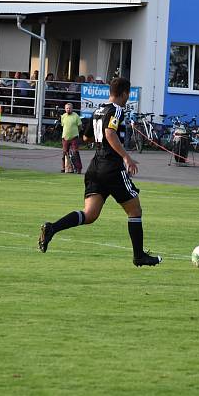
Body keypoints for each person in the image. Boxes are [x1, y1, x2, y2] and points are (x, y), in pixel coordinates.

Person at [38, 77, 162, 267]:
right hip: (111, 167)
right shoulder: (117, 110)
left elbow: (86, 136)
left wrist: (99, 140)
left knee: (90, 214)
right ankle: (139, 256)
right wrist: (126, 157)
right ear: (125, 94)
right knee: (135, 211)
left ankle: (52, 228)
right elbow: (110, 133)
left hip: (95, 167)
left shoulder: (98, 109)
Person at [60, 102, 82, 173]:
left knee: (75, 153)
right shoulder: (63, 116)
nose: (68, 109)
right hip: (65, 138)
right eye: (67, 108)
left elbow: (80, 126)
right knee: (64, 153)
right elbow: (63, 126)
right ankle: (64, 168)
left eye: (69, 108)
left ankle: (78, 168)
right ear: (65, 109)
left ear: (72, 109)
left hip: (74, 137)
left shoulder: (76, 116)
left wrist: (76, 132)